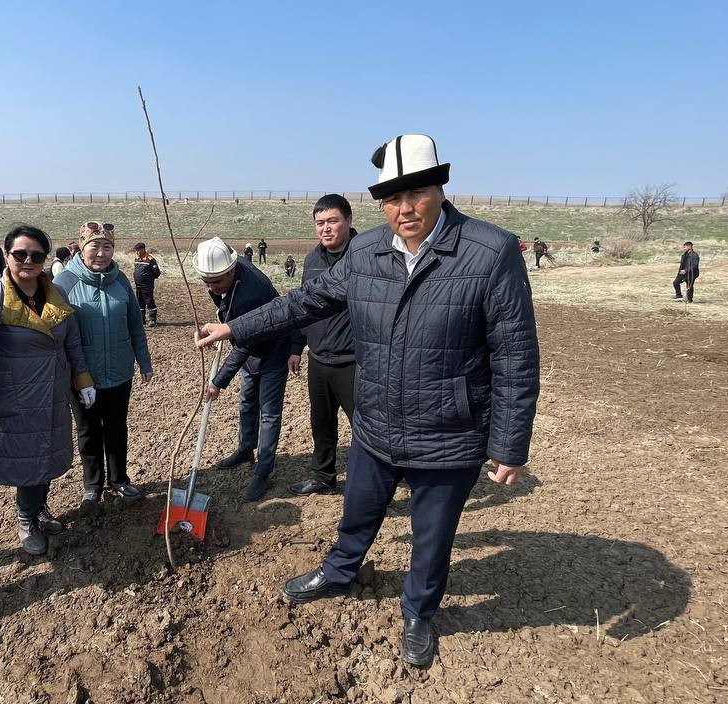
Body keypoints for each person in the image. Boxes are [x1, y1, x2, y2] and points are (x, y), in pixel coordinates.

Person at [194, 134, 539, 667]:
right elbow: (306, 301)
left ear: (440, 188)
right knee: (357, 512)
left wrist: (510, 444)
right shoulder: (366, 251)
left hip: (449, 431)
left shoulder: (490, 253)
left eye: (416, 193)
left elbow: (515, 355)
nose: (405, 209)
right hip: (376, 422)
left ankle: (419, 612)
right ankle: (339, 571)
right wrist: (236, 328)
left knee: (431, 537)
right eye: (392, 198)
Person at [0, 225, 95, 555]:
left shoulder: (55, 294)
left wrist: (82, 379)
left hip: (52, 391)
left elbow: (72, 342)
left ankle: (38, 509)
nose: (28, 261)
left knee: (46, 454)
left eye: (36, 256)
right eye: (20, 254)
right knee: (28, 458)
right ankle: (26, 519)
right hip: (14, 396)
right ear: (5, 254)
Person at [53, 220, 154, 512]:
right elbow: (57, 335)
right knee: (88, 431)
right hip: (83, 376)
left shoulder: (120, 280)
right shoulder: (64, 283)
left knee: (117, 427)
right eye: (94, 246)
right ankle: (92, 485)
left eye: (107, 246)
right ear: (82, 247)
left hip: (120, 371)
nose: (101, 253)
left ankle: (119, 479)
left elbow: (135, 324)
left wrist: (144, 360)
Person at [196, 237, 292, 502]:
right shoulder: (224, 273)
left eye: (217, 282)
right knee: (247, 402)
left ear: (231, 271)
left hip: (273, 350)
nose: (212, 288)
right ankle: (245, 449)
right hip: (250, 351)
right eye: (207, 282)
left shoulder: (252, 294)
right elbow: (229, 313)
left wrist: (218, 381)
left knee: (269, 413)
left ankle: (263, 471)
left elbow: (244, 344)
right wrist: (220, 326)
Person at [287, 194, 358, 496]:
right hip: (319, 359)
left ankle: (377, 479)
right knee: (321, 423)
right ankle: (323, 477)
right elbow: (305, 306)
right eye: (320, 223)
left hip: (355, 360)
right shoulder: (312, 260)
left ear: (348, 220)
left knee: (366, 426)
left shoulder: (365, 256)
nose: (326, 228)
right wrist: (296, 346)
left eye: (332, 221)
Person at [132, 242, 162, 327]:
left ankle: (152, 320)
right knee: (140, 302)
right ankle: (141, 320)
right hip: (138, 285)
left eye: (138, 251)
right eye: (135, 251)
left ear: (143, 250)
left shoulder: (150, 259)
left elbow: (157, 272)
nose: (136, 252)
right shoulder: (137, 259)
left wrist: (149, 279)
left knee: (149, 301)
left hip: (147, 285)